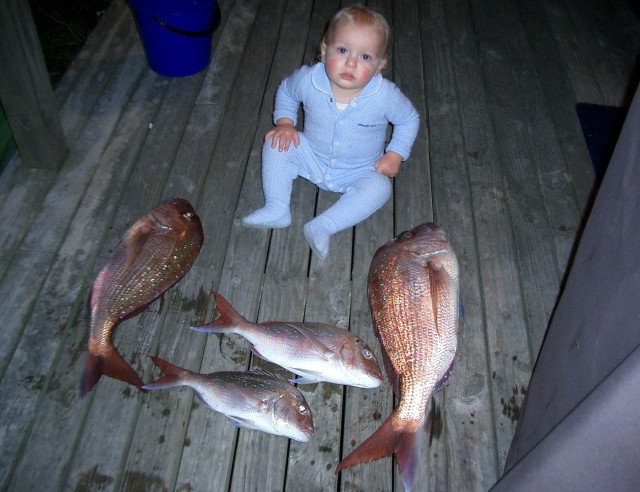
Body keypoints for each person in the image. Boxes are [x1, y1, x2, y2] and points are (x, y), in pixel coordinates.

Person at [242, 5, 420, 261]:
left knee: (380, 187)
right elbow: (286, 91)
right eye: (343, 50)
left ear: (380, 65)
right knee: (274, 143)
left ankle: (323, 225)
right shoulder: (308, 80)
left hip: (360, 168)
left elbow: (408, 119)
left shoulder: (385, 96)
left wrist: (395, 153)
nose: (351, 62)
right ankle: (277, 207)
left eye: (365, 57)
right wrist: (285, 123)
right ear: (324, 51)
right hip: (312, 154)